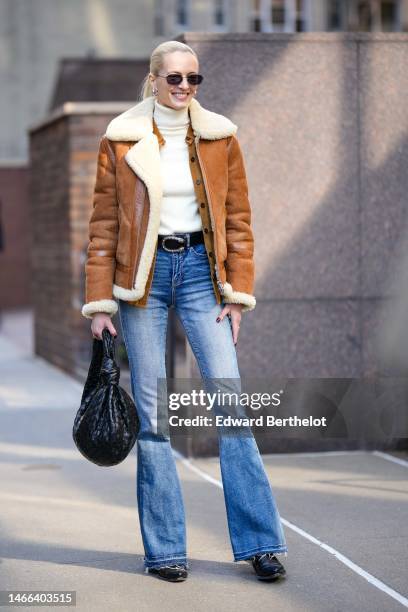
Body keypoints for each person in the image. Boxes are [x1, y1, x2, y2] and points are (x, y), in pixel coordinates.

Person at [81, 40, 288, 583]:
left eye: (194, 79)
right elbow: (103, 226)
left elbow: (238, 219)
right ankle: (166, 549)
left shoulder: (221, 136)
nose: (185, 88)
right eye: (175, 78)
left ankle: (261, 542)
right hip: (142, 282)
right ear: (154, 79)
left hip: (201, 272)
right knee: (155, 419)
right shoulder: (120, 139)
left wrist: (235, 292)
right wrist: (100, 302)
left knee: (231, 405)